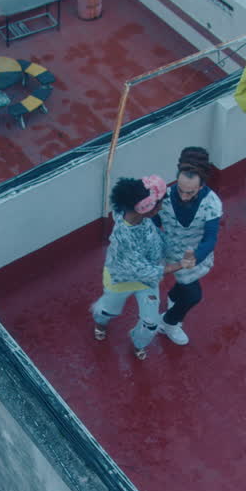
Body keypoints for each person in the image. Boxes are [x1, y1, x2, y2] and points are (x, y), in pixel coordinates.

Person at [91, 176, 192, 360]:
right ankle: (100, 324)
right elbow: (143, 269)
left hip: (147, 282)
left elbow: (159, 241)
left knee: (151, 324)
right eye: (158, 205)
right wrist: (180, 265)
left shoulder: (142, 220)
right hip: (121, 280)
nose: (161, 207)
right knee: (108, 311)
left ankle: (138, 341)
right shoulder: (123, 237)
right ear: (145, 208)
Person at [156, 147, 223, 346]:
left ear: (202, 185)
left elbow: (210, 239)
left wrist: (196, 257)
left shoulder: (212, 204)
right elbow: (152, 221)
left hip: (192, 258)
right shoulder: (164, 196)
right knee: (194, 296)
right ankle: (169, 322)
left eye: (190, 192)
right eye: (181, 190)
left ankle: (173, 299)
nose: (184, 196)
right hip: (167, 252)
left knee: (185, 286)